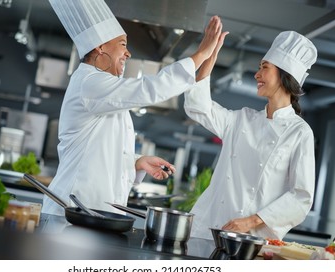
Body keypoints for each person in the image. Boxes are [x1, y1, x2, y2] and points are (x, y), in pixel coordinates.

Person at [42, 0, 222, 216]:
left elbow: (101, 152)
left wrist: (138, 162)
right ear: (100, 46)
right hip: (71, 212)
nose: (128, 54)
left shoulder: (102, 89)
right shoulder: (89, 83)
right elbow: (148, 89)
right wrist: (200, 54)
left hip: (93, 212)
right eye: (123, 44)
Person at [184, 28, 318, 240]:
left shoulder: (299, 132)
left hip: (251, 240)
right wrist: (211, 56)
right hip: (207, 230)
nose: (257, 74)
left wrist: (251, 221)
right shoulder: (241, 120)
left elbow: (301, 197)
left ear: (285, 76)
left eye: (264, 68)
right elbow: (197, 106)